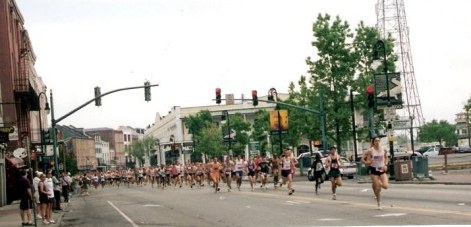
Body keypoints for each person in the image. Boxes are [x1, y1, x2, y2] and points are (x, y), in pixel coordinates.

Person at [361, 136, 389, 210]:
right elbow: (362, 159)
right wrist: (368, 162)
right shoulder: (370, 150)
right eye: (376, 141)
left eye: (378, 141)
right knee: (377, 188)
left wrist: (385, 164)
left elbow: (386, 157)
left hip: (382, 169)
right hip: (374, 170)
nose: (377, 142)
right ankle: (379, 203)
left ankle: (379, 182)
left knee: (385, 186)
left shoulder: (384, 149)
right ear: (373, 142)